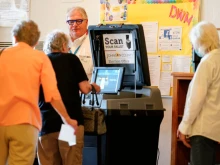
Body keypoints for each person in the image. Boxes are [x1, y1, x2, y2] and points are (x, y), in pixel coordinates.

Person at [0, 20, 78, 165]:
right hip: (24, 122)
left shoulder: (2, 54)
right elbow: (52, 95)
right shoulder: (40, 58)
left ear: (14, 38)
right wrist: (67, 119)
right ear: (36, 42)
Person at [37, 30, 100, 165]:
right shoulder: (71, 59)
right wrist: (94, 86)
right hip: (68, 126)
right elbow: (84, 88)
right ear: (64, 45)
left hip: (45, 125)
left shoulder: (40, 62)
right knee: (70, 160)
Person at [177, 21, 220, 165]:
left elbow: (195, 99)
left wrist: (184, 126)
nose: (193, 47)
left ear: (200, 41)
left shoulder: (207, 62)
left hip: (202, 130)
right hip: (215, 131)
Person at [66, 6, 93, 80]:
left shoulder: (93, 43)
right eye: (71, 22)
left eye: (78, 21)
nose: (74, 25)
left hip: (86, 90)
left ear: (86, 22)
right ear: (66, 23)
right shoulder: (59, 43)